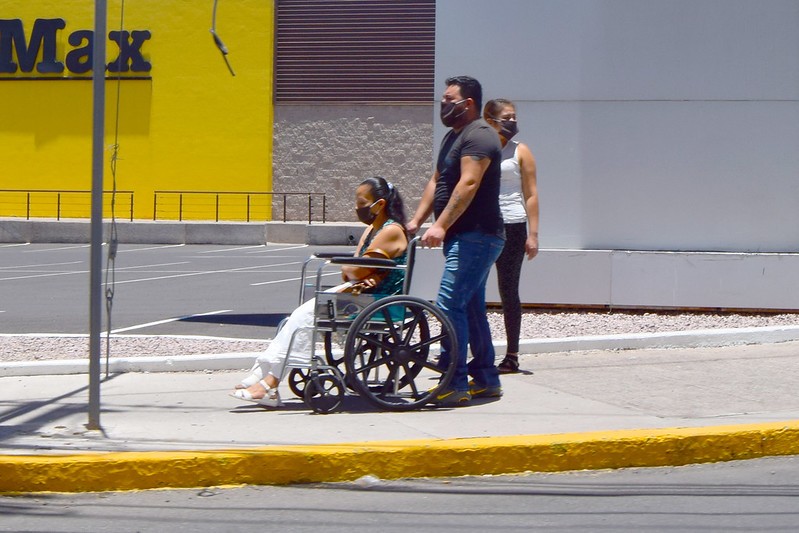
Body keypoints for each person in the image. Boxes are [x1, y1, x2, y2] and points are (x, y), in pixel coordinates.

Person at [230, 177, 408, 406]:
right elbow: (353, 270)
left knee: (305, 317)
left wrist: (353, 270)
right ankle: (263, 372)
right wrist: (353, 270)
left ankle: (270, 383)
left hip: (378, 301)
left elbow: (354, 270)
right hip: (362, 293)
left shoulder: (391, 230)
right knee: (297, 316)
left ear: (380, 204)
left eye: (362, 203)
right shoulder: (372, 231)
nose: (357, 208)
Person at [407, 76, 505, 406]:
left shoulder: (480, 135)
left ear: (469, 103)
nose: (443, 105)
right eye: (443, 99)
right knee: (471, 308)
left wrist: (441, 225)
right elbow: (437, 180)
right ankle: (486, 379)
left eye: (450, 100)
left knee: (449, 305)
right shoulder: (453, 137)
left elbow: (469, 183)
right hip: (464, 236)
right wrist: (417, 221)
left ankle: (454, 382)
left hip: (478, 235)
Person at [483, 99, 539, 374]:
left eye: (514, 117)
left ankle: (512, 355)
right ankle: (478, 354)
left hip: (513, 225)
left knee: (508, 290)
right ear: (490, 120)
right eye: (506, 118)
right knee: (473, 290)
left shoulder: (520, 151)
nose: (512, 122)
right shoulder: (481, 149)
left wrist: (533, 234)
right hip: (484, 225)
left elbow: (531, 193)